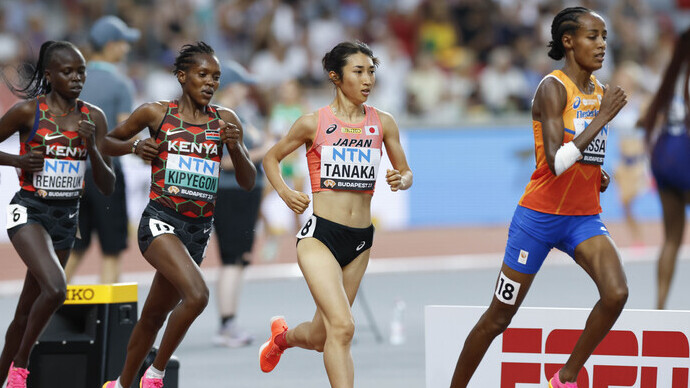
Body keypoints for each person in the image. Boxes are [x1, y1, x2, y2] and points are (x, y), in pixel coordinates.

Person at [449, 7, 628, 388]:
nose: (601, 46)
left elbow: (581, 153)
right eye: (592, 37)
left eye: (604, 37)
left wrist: (598, 172)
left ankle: (564, 378)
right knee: (498, 319)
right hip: (538, 218)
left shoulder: (598, 91)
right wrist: (603, 118)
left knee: (616, 294)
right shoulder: (552, 87)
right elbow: (555, 160)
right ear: (568, 41)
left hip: (583, 218)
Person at [100, 42, 256, 388]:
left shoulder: (226, 121)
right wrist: (135, 146)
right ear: (182, 76)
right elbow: (104, 143)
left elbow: (246, 181)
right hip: (160, 221)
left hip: (197, 232)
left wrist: (236, 147)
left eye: (216, 77)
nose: (210, 82)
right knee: (198, 295)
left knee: (153, 316)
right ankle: (155, 375)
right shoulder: (156, 114)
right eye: (203, 74)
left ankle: (121, 384)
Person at [259, 41, 413, 388]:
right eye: (358, 71)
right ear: (335, 76)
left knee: (320, 335)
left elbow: (406, 172)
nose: (367, 79)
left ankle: (281, 339)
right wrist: (285, 193)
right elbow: (270, 158)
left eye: (371, 71)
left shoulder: (383, 123)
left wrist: (400, 179)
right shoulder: (313, 123)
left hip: (360, 241)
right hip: (320, 238)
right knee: (343, 328)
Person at [0, 40, 115, 387]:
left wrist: (92, 146)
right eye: (68, 71)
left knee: (24, 313)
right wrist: (18, 161)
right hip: (29, 211)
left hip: (67, 220)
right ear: (49, 75)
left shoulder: (93, 117)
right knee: (56, 289)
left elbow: (107, 185)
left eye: (81, 71)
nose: (77, 78)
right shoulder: (27, 112)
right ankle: (20, 368)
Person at [63, 15, 140, 284]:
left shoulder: (73, 80)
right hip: (105, 174)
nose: (126, 49)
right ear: (110, 46)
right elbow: (124, 132)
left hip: (71, 174)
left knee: (74, 248)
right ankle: (107, 319)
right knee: (111, 251)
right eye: (122, 43)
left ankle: (48, 311)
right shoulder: (120, 84)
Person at [211, 61, 267, 347]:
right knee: (232, 260)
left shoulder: (240, 115)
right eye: (242, 84)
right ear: (231, 87)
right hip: (232, 194)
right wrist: (264, 151)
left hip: (242, 194)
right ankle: (226, 323)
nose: (246, 90)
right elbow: (220, 161)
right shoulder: (221, 116)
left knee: (239, 260)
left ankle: (229, 321)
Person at [638, 27, 690, 310]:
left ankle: (660, 306)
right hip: (687, 155)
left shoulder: (670, 79)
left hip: (664, 155)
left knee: (671, 237)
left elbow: (646, 118)